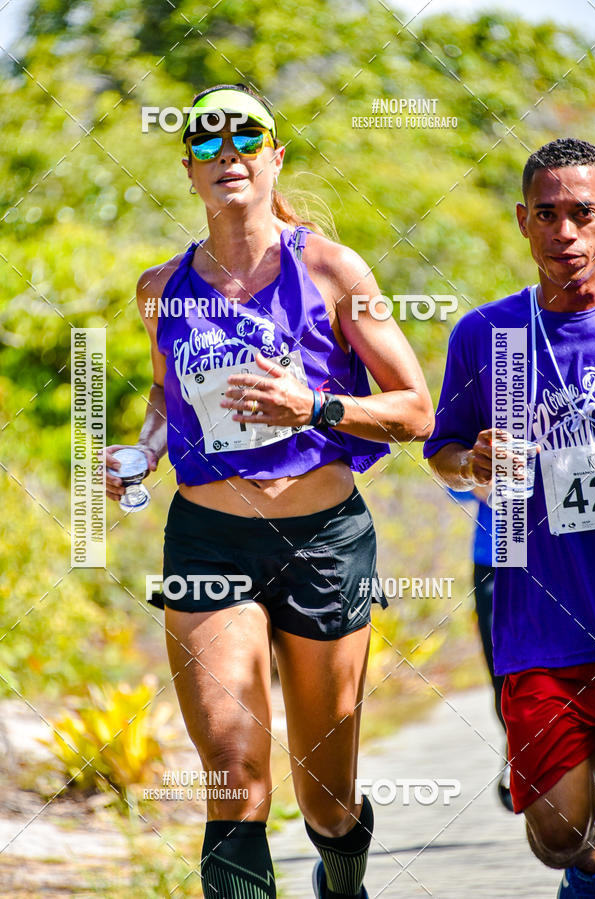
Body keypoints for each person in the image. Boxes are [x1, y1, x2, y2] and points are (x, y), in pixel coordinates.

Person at [104, 83, 433, 899]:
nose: (228, 154)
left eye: (245, 136)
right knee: (234, 774)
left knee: (324, 800)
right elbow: (162, 395)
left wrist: (314, 406)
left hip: (324, 542)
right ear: (188, 170)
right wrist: (142, 453)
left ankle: (342, 877)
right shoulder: (159, 289)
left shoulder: (331, 267)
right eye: (207, 143)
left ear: (274, 155)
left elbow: (416, 410)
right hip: (210, 542)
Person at [424, 138, 595, 898]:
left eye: (584, 214)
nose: (566, 232)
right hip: (541, 621)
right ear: (523, 223)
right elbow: (443, 451)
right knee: (561, 835)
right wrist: (473, 466)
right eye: (549, 215)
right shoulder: (486, 335)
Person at [447, 486, 512, 811]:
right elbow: (450, 477)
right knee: (500, 667)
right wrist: (478, 479)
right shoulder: (490, 430)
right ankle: (518, 745)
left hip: (562, 552)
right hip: (495, 555)